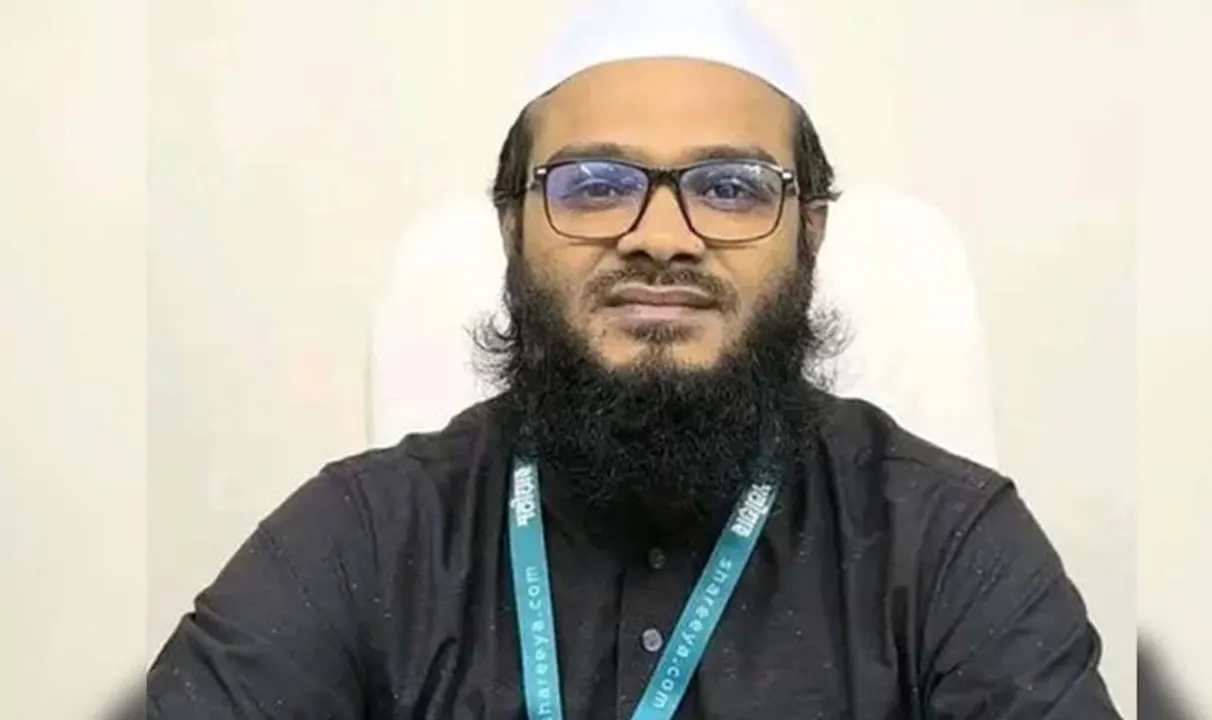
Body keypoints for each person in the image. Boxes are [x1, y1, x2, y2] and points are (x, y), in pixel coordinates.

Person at [147, 1, 1122, 717]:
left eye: (730, 187)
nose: (661, 236)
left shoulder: (947, 549)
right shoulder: (362, 538)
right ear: (512, 228)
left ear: (811, 235)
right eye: (594, 184)